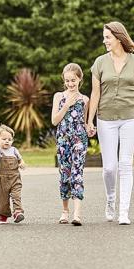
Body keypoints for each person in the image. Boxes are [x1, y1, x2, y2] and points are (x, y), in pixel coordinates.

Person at [85, 22, 134, 225]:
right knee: (109, 167)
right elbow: (95, 93)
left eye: (107, 37)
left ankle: (124, 211)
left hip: (131, 118)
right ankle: (111, 200)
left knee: (125, 164)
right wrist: (90, 120)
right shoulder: (99, 63)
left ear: (118, 37)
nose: (104, 40)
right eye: (104, 37)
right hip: (105, 119)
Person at [51, 63, 89, 226]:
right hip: (63, 140)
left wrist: (90, 128)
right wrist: (67, 104)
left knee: (77, 173)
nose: (70, 84)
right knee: (65, 175)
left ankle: (77, 214)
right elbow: (54, 121)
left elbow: (86, 122)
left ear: (79, 79)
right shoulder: (59, 96)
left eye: (73, 80)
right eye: (67, 81)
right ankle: (65, 211)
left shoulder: (85, 99)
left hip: (79, 139)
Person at [0, 124, 26, 224]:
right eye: (4, 139)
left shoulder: (14, 150)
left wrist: (22, 163)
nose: (7, 141)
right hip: (2, 180)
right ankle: (3, 216)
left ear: (12, 141)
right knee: (2, 199)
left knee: (16, 195)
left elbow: (21, 160)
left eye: (9, 139)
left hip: (15, 178)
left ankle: (18, 212)